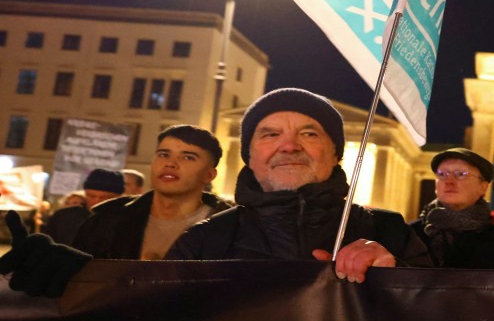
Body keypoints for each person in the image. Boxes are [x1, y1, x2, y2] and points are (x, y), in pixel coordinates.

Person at [168, 88, 433, 280]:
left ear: (335, 153)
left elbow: (442, 319)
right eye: (270, 134)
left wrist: (397, 276)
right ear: (249, 156)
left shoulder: (389, 232)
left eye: (309, 134)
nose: (290, 146)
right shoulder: (202, 241)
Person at [73, 125, 232, 260]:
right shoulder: (106, 222)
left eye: (188, 157)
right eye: (163, 155)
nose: (170, 164)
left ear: (209, 175)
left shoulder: (232, 230)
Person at [411, 148, 494, 269]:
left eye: (461, 174)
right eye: (442, 174)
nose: (449, 181)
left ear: (483, 187)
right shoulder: (407, 236)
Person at [41, 168, 126, 245]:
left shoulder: (127, 220)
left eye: (105, 197)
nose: (97, 201)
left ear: (118, 197)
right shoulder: (64, 217)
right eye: (91, 196)